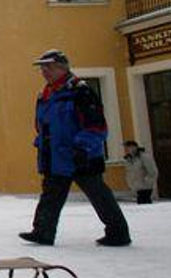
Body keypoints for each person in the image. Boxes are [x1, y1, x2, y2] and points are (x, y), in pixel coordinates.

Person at [19, 49, 132, 247]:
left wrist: (82, 147)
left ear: (62, 68)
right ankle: (42, 231)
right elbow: (41, 125)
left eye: (49, 67)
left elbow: (96, 126)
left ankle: (118, 232)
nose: (44, 72)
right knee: (51, 196)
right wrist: (42, 144)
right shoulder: (45, 95)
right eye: (42, 68)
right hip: (55, 156)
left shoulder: (80, 92)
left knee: (98, 195)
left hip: (82, 156)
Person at [123, 140, 158, 204]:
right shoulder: (128, 159)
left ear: (134, 147)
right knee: (141, 205)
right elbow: (129, 172)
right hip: (136, 187)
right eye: (126, 147)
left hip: (145, 187)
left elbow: (153, 171)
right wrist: (130, 183)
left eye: (128, 147)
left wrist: (148, 181)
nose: (126, 149)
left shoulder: (144, 157)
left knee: (146, 205)